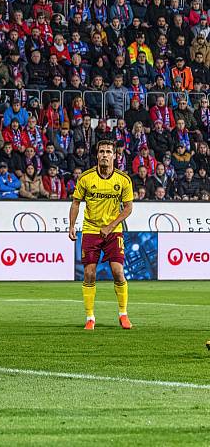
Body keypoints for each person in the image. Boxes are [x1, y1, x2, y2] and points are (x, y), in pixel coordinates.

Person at [68, 140, 134, 331]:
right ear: (97, 155)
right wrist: (72, 226)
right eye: (102, 151)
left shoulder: (123, 180)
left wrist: (111, 225)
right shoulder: (86, 178)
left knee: (118, 272)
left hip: (113, 231)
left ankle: (123, 314)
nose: (105, 155)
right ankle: (90, 317)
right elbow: (75, 203)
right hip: (90, 230)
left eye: (108, 152)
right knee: (89, 273)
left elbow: (129, 208)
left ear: (115, 155)